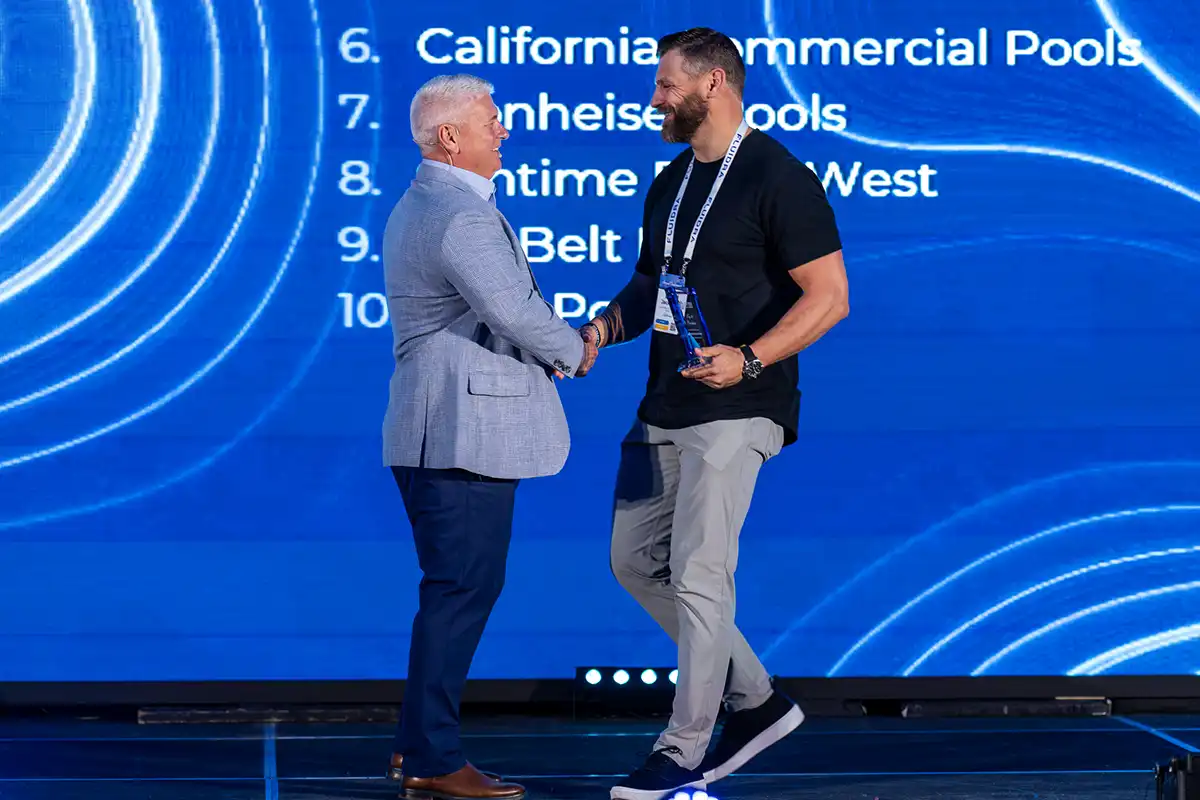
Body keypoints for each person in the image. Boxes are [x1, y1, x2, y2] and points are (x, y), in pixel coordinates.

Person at [578, 27, 850, 800]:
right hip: (665, 402)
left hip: (740, 404)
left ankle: (686, 748)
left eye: (666, 85)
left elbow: (830, 297)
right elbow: (650, 285)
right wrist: (599, 330)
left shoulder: (778, 176)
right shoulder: (671, 181)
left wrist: (751, 358)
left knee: (701, 571)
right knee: (634, 561)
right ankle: (757, 699)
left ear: (713, 84)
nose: (654, 100)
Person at [381, 73, 598, 800]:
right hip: (459, 434)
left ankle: (418, 748)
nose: (503, 131)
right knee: (461, 590)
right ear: (450, 137)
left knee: (452, 589)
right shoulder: (459, 215)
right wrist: (573, 349)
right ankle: (434, 759)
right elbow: (513, 310)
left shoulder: (421, 202)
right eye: (490, 121)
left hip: (432, 429)